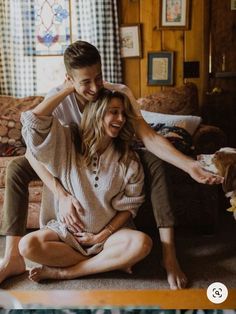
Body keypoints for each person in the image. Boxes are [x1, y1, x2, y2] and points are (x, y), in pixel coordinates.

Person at [0, 41, 223, 289]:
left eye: (99, 77)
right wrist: (60, 193)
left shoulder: (116, 92)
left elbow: (148, 137)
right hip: (69, 153)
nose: (95, 87)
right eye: (85, 82)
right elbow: (32, 145)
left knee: (156, 165)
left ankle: (169, 256)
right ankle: (13, 258)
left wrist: (189, 165)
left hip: (116, 148)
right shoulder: (59, 100)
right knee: (16, 168)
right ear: (69, 79)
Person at [18, 88, 152, 281]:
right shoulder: (68, 142)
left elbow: (130, 208)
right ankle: (105, 263)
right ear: (97, 112)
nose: (121, 119)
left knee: (142, 244)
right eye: (114, 111)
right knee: (27, 246)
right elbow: (33, 123)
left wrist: (101, 236)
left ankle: (68, 272)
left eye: (123, 113)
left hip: (108, 238)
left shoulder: (128, 160)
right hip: (67, 235)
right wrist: (68, 88)